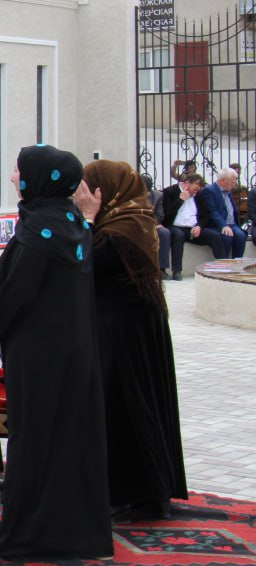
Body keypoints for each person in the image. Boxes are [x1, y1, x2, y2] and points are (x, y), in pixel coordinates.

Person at [0, 145, 113, 560]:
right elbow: (46, 284)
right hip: (71, 356)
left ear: (37, 180)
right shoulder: (70, 223)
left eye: (18, 171)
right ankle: (75, 534)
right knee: (67, 445)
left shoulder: (39, 231)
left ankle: (23, 536)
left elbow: (19, 298)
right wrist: (0, 293)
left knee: (34, 444)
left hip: (40, 358)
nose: (13, 177)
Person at [76, 160, 188, 522]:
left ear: (105, 191)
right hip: (132, 328)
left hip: (124, 334)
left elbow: (82, 263)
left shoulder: (120, 230)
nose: (81, 194)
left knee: (126, 408)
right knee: (130, 407)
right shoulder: (130, 219)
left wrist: (87, 218)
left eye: (88, 186)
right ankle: (140, 491)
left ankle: (137, 494)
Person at [163, 174, 225, 278]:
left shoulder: (198, 195)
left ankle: (223, 266)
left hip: (192, 228)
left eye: (198, 189)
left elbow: (205, 215)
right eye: (195, 189)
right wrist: (181, 200)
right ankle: (177, 271)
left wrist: (199, 226)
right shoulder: (169, 192)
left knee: (215, 236)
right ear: (187, 183)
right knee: (178, 235)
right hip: (175, 227)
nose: (196, 192)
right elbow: (166, 215)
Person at [196, 168, 247, 259]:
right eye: (232, 182)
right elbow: (212, 211)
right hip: (218, 225)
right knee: (227, 237)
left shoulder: (228, 191)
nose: (234, 185)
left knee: (241, 236)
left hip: (232, 224)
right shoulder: (209, 191)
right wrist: (224, 225)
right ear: (223, 180)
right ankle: (224, 262)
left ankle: (237, 262)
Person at [143, 173, 173, 279]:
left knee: (165, 233)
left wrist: (151, 225)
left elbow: (160, 216)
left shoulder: (157, 196)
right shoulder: (130, 195)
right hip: (136, 224)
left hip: (153, 225)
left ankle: (162, 269)